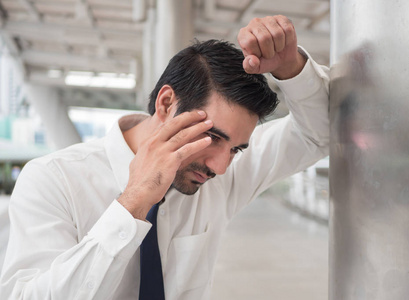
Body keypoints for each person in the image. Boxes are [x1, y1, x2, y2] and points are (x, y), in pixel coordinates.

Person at [0, 15, 329, 300]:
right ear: (166, 102)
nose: (221, 166)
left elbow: (318, 135)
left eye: (236, 149)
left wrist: (292, 70)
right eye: (213, 137)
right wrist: (132, 204)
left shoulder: (220, 178)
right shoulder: (53, 179)